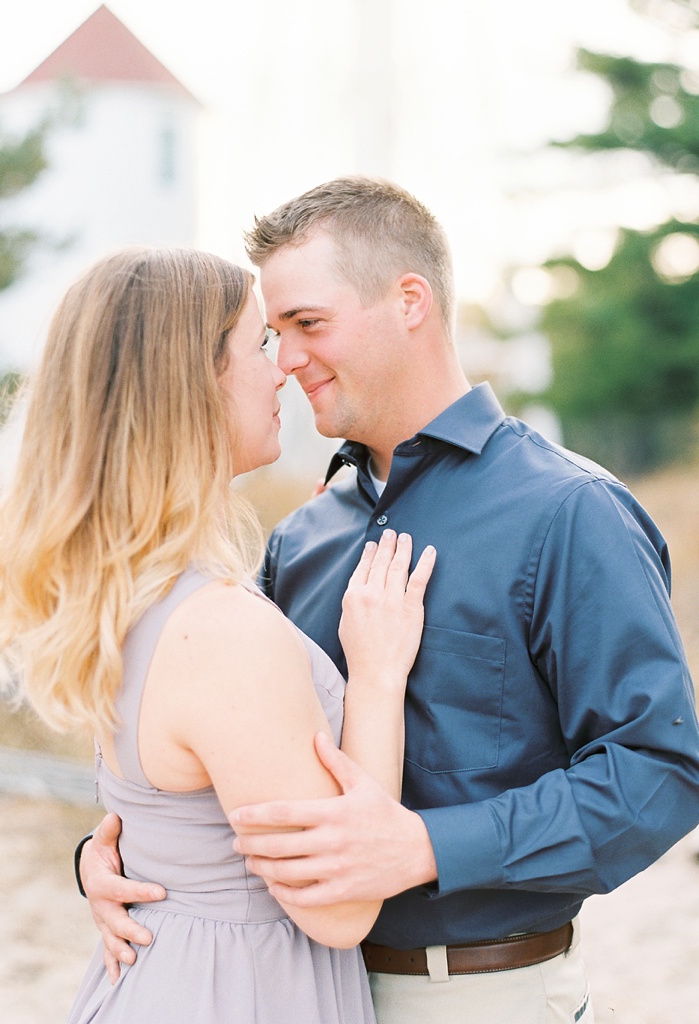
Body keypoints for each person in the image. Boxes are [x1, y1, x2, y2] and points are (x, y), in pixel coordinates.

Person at [78, 180, 699, 1024]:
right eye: (272, 335)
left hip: (478, 994)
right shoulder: (298, 537)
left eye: (308, 325)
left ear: (409, 301)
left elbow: (658, 775)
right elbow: (234, 763)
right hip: (292, 987)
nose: (287, 360)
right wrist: (106, 857)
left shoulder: (567, 513)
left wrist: (426, 846)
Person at [0, 244, 437, 1024]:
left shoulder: (125, 594)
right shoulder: (219, 633)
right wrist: (377, 675)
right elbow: (339, 908)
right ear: (190, 386)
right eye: (256, 343)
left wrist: (95, 862)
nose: (282, 365)